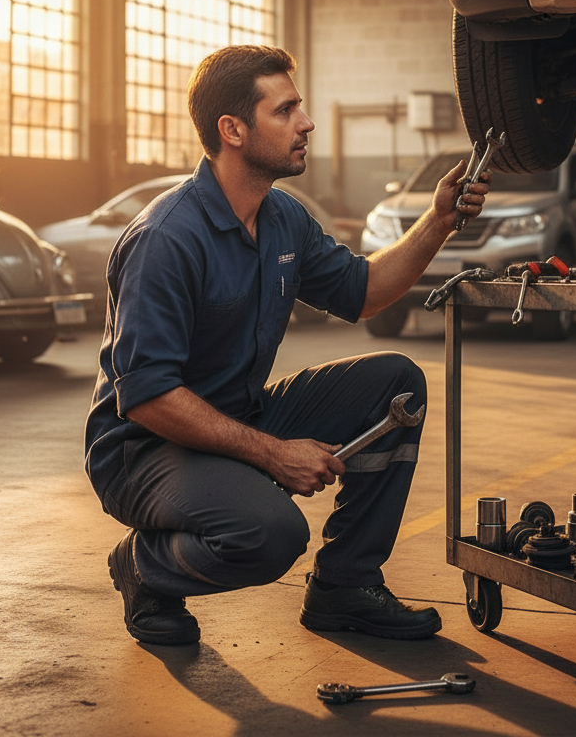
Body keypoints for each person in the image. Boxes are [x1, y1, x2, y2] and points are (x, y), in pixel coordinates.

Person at [84, 44, 489, 645]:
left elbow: (363, 291)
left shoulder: (282, 219)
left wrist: (437, 221)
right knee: (270, 534)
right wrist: (273, 454)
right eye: (285, 111)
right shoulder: (166, 239)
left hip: (236, 416)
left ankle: (344, 585)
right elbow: (148, 398)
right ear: (233, 130)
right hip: (145, 450)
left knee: (395, 382)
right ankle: (144, 567)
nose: (307, 123)